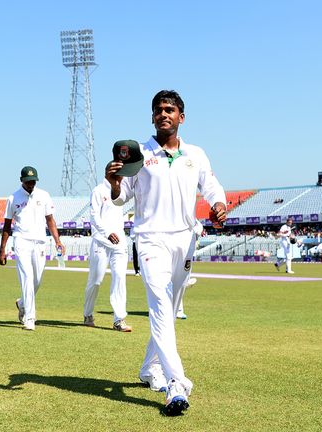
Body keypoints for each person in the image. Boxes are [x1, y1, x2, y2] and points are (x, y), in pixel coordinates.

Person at [105, 90, 227, 416]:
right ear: (152, 117)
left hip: (185, 240)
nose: (164, 115)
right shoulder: (139, 154)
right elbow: (120, 198)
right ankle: (176, 385)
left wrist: (218, 204)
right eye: (158, 110)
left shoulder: (196, 154)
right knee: (159, 304)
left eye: (170, 110)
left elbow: (212, 187)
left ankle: (149, 369)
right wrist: (115, 182)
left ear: (181, 117)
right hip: (150, 239)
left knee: (169, 312)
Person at [0, 166, 64, 331]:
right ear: (21, 180)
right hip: (21, 241)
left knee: (37, 280)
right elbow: (7, 225)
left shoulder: (44, 195)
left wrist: (58, 241)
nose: (31, 184)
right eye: (28, 182)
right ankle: (30, 318)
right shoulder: (13, 198)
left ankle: (22, 303)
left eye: (33, 181)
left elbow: (50, 220)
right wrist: (2, 249)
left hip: (40, 242)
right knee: (27, 278)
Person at [82, 166, 131, 332]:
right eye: (120, 175)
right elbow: (94, 217)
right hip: (101, 242)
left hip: (119, 243)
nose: (122, 178)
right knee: (96, 281)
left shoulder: (122, 190)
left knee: (119, 279)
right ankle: (88, 314)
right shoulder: (98, 191)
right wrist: (107, 232)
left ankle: (119, 319)